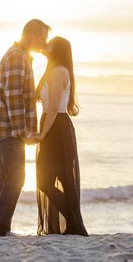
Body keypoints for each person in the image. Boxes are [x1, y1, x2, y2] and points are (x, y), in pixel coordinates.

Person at [0, 19, 51, 236]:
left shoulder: (21, 56)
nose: (44, 42)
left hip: (7, 131)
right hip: (10, 131)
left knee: (6, 179)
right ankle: (1, 230)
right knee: (15, 179)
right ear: (32, 35)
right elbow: (13, 97)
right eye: (43, 37)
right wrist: (23, 131)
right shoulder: (16, 57)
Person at [34, 36, 89, 236]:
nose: (45, 44)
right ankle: (75, 224)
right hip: (56, 126)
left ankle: (75, 223)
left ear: (56, 50)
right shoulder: (54, 70)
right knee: (56, 179)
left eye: (49, 43)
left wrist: (42, 134)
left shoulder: (57, 72)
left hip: (56, 127)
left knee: (45, 180)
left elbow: (55, 108)